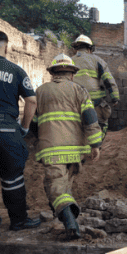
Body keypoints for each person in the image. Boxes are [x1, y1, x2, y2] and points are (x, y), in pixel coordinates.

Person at [34, 55, 103, 240]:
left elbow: (34, 123)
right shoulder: (80, 91)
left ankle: (70, 222)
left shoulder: (40, 91)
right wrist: (95, 144)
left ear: (53, 73)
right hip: (76, 151)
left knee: (55, 186)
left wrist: (35, 141)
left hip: (51, 149)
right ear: (72, 74)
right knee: (65, 186)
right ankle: (69, 216)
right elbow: (90, 118)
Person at [0, 30, 40, 236]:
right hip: (7, 128)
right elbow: (31, 100)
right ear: (6, 47)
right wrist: (24, 127)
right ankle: (18, 222)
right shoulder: (15, 70)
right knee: (12, 178)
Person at [70, 34, 119, 137]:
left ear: (76, 48)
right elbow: (108, 80)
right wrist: (115, 98)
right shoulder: (97, 60)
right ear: (90, 49)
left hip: (73, 101)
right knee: (101, 123)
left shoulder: (69, 61)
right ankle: (97, 146)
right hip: (94, 102)